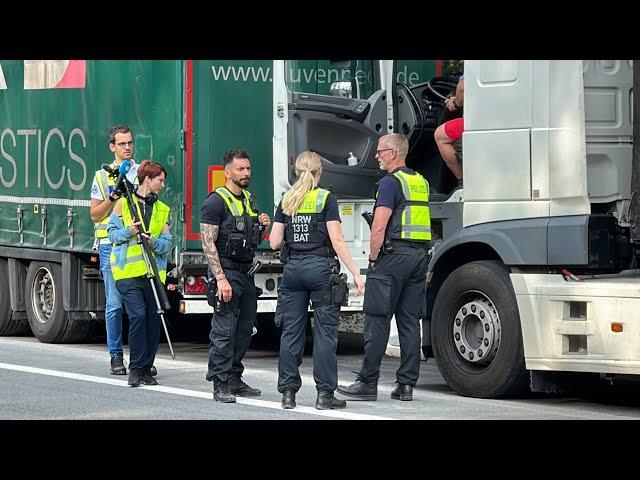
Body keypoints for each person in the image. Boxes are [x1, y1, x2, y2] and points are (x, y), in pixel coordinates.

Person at [337, 133, 430, 402]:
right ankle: (406, 385)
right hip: (418, 256)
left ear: (393, 152)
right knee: (410, 322)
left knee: (377, 320)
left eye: (379, 151)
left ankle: (367, 383)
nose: (376, 156)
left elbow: (379, 226)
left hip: (392, 257)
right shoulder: (420, 181)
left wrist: (374, 259)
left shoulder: (390, 183)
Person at [269, 151, 365, 410]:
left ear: (297, 172)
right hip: (321, 269)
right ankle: (324, 396)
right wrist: (355, 271)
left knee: (291, 333)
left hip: (293, 271)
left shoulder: (286, 199)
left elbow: (275, 242)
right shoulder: (326, 198)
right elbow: (336, 240)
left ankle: (288, 394)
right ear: (319, 172)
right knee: (325, 335)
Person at [201, 149, 271, 403]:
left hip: (246, 274)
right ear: (227, 172)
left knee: (244, 330)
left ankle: (234, 377)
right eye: (240, 169)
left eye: (248, 169)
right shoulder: (215, 202)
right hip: (226, 273)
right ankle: (219, 383)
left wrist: (263, 226)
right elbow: (208, 243)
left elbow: (253, 241)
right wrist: (220, 279)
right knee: (224, 331)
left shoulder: (250, 200)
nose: (246, 173)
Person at [107, 160, 172, 387]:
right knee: (138, 316)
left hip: (153, 274)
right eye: (160, 180)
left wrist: (154, 242)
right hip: (127, 273)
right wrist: (129, 231)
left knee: (154, 319)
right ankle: (135, 368)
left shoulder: (162, 209)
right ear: (148, 179)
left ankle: (146, 368)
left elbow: (168, 242)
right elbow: (112, 234)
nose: (163, 185)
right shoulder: (124, 204)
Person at [90, 125, 147, 376]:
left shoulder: (141, 173)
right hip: (110, 246)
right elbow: (95, 215)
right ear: (112, 146)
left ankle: (141, 358)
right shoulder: (102, 176)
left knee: (141, 305)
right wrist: (114, 196)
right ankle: (115, 356)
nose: (127, 148)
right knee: (114, 303)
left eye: (130, 143)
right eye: (122, 144)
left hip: (139, 244)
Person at [434, 75, 464, 184]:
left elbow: (462, 88)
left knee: (440, 135)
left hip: (480, 121)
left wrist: (455, 103)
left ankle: (462, 181)